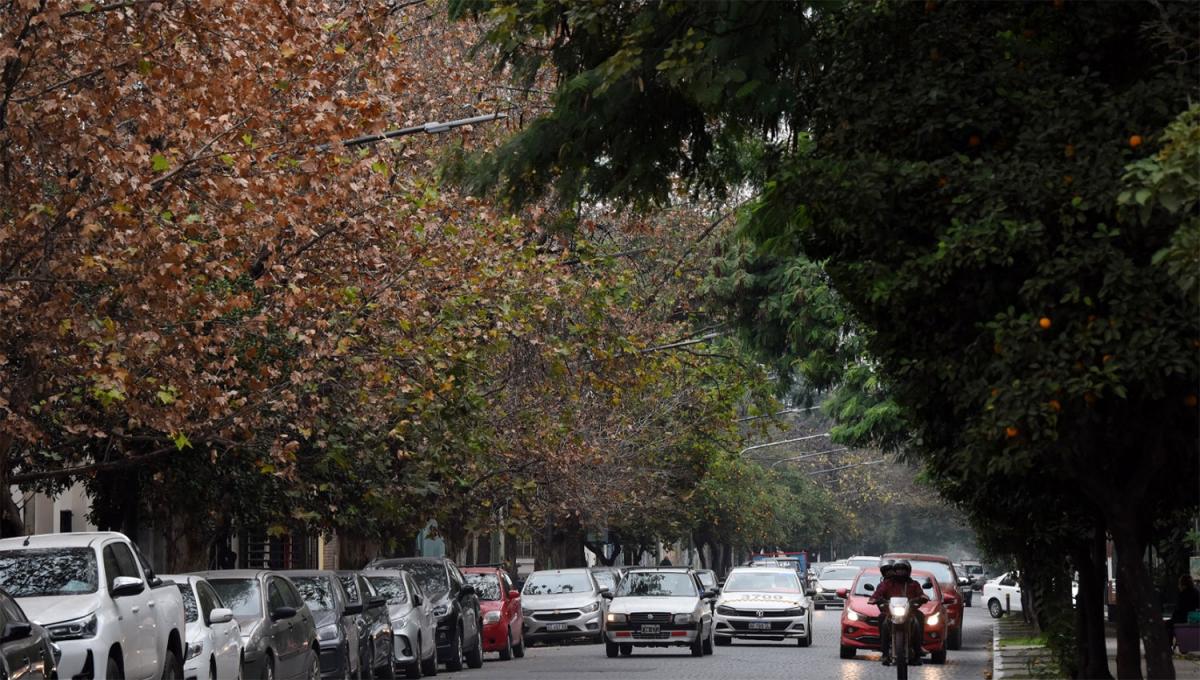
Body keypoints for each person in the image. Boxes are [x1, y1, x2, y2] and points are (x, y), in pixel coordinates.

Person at [870, 559, 928, 666]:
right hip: (891, 613)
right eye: (898, 570)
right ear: (895, 571)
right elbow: (877, 593)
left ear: (908, 571)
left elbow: (921, 594)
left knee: (919, 616)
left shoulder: (914, 584)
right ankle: (885, 653)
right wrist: (874, 599)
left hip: (909, 613)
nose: (900, 572)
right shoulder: (887, 584)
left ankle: (918, 652)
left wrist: (922, 598)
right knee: (882, 618)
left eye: (903, 570)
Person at [1169, 574, 1200, 649]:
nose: (1178, 586)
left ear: (1183, 585)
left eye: (1179, 584)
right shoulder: (1197, 592)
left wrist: (1173, 618)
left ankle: (1168, 645)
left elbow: (1179, 610)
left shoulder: (1183, 594)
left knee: (1168, 625)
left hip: (1183, 619)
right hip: (1195, 620)